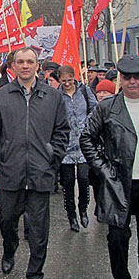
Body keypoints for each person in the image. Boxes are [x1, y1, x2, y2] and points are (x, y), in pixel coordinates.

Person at [0, 47, 69, 279]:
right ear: (14, 66)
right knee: (7, 219)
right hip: (11, 171)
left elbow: (62, 131)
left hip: (41, 172)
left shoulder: (53, 96)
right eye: (20, 62)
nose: (25, 66)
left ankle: (35, 273)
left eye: (30, 61)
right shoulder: (1, 96)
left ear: (37, 65)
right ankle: (9, 249)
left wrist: (53, 157)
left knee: (40, 228)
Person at [79, 54, 139, 279]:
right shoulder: (108, 108)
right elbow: (86, 138)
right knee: (117, 240)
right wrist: (104, 169)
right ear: (120, 78)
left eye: (137, 77)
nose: (132, 82)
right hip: (118, 184)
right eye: (127, 77)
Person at [57, 65, 97, 232]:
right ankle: (71, 215)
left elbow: (95, 109)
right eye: (63, 81)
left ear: (74, 77)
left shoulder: (85, 92)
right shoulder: (57, 95)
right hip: (66, 144)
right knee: (67, 183)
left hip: (83, 143)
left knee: (83, 179)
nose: (67, 83)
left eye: (69, 80)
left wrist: (86, 124)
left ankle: (83, 209)